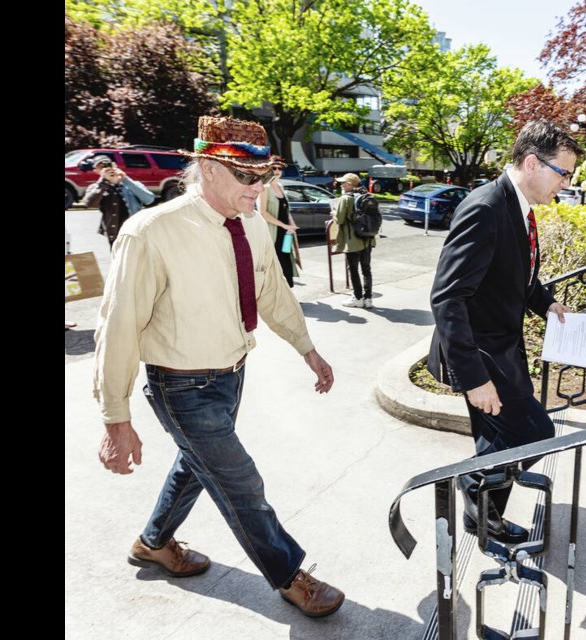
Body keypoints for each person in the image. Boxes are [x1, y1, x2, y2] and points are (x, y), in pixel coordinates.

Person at [93, 115, 345, 619]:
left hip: (232, 373)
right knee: (240, 481)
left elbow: (272, 291)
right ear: (207, 168)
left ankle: (153, 543)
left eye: (265, 175)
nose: (260, 187)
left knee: (196, 463)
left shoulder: (251, 222)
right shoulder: (150, 233)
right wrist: (115, 419)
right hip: (179, 384)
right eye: (247, 176)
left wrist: (307, 348)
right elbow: (117, 327)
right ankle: (290, 575)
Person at [427, 119, 581, 543]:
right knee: (534, 434)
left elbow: (518, 274)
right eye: (563, 173)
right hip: (481, 356)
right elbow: (447, 297)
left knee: (494, 437)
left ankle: (483, 520)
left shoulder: (519, 207)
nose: (565, 184)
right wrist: (475, 378)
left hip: (504, 347)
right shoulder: (485, 208)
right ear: (532, 163)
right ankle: (474, 484)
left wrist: (545, 302)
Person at [83, 154, 155, 247]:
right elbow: (89, 204)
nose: (106, 168)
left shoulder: (130, 183)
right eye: (101, 167)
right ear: (96, 171)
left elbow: (149, 200)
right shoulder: (97, 187)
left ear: (114, 165)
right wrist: (103, 182)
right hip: (116, 235)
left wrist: (125, 179)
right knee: (119, 261)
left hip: (136, 232)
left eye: (107, 165)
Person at [333, 172, 376, 308]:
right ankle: (368, 299)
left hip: (352, 240)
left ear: (350, 184)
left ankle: (357, 297)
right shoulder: (367, 196)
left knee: (353, 269)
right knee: (366, 269)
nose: (341, 185)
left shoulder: (345, 198)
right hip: (368, 238)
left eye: (343, 182)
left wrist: (333, 213)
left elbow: (339, 219)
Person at [257, 156, 300, 287]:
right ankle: (277, 299)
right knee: (274, 264)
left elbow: (286, 210)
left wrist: (291, 225)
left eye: (279, 168)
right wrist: (284, 225)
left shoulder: (280, 186)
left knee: (286, 260)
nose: (277, 171)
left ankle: (288, 295)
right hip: (272, 233)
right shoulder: (264, 188)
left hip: (285, 233)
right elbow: (263, 213)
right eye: (273, 168)